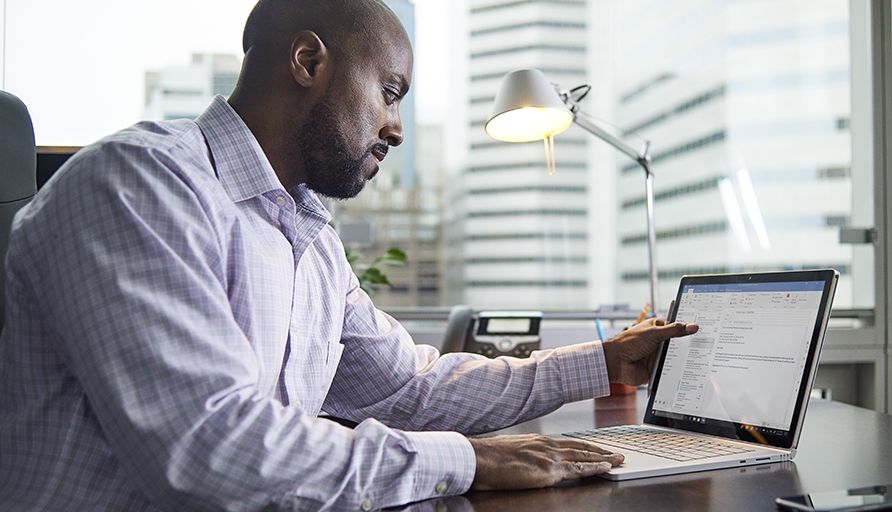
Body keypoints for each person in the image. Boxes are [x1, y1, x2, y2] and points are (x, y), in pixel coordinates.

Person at [0, 1, 697, 510]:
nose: (396, 127)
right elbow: (213, 448)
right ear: (309, 62)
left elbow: (407, 390)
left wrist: (603, 364)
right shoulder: (139, 185)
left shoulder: (306, 233)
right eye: (389, 93)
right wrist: (468, 461)